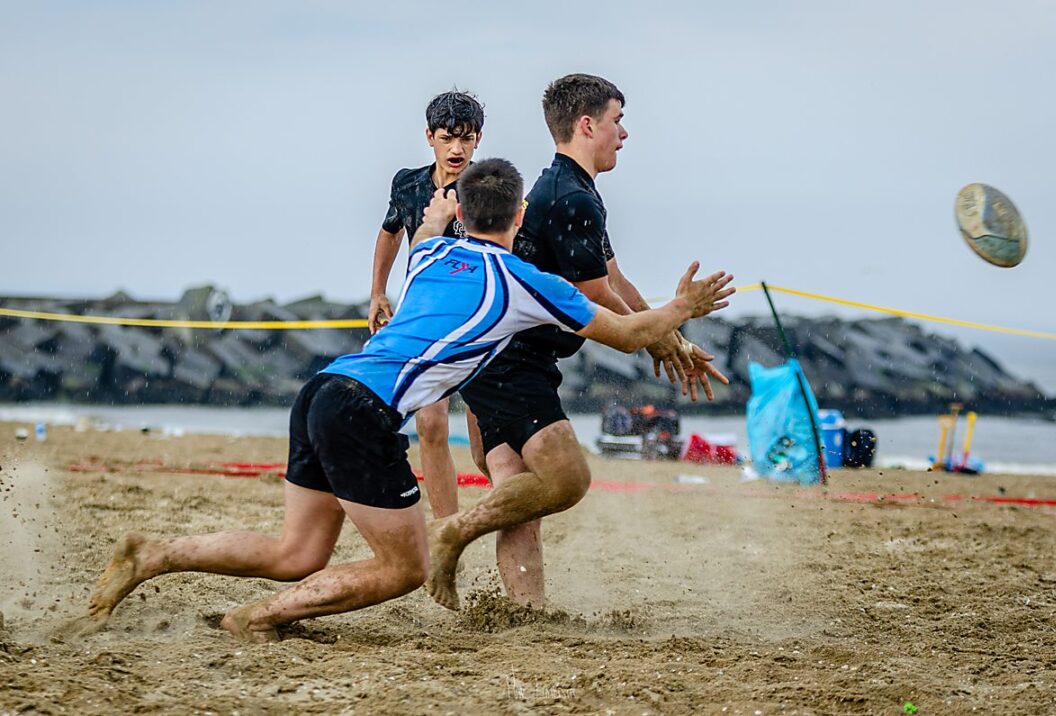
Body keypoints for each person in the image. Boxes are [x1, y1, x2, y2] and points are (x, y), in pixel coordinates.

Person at [75, 158, 735, 642]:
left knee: (295, 554)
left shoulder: (428, 258)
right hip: (363, 412)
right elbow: (626, 334)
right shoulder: (525, 279)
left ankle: (152, 553)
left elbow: (424, 232)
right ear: (520, 216)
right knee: (406, 568)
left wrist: (438, 216)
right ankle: (257, 618)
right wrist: (683, 307)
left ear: (464, 215)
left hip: (323, 391)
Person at [445, 74, 730, 609]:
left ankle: (525, 611)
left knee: (518, 489)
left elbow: (614, 280)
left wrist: (672, 338)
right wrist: (663, 332)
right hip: (511, 362)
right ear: (587, 124)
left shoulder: (572, 189)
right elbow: (598, 297)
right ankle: (454, 536)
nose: (624, 133)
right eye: (617, 120)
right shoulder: (570, 197)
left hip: (495, 355)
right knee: (553, 483)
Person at [368, 90, 485, 522]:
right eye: (447, 137)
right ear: (429, 137)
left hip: (479, 320)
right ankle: (446, 528)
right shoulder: (408, 184)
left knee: (485, 449)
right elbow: (390, 231)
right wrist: (378, 291)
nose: (457, 148)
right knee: (430, 425)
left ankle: (510, 511)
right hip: (425, 317)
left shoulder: (487, 189)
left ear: (478, 140)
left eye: (466, 138)